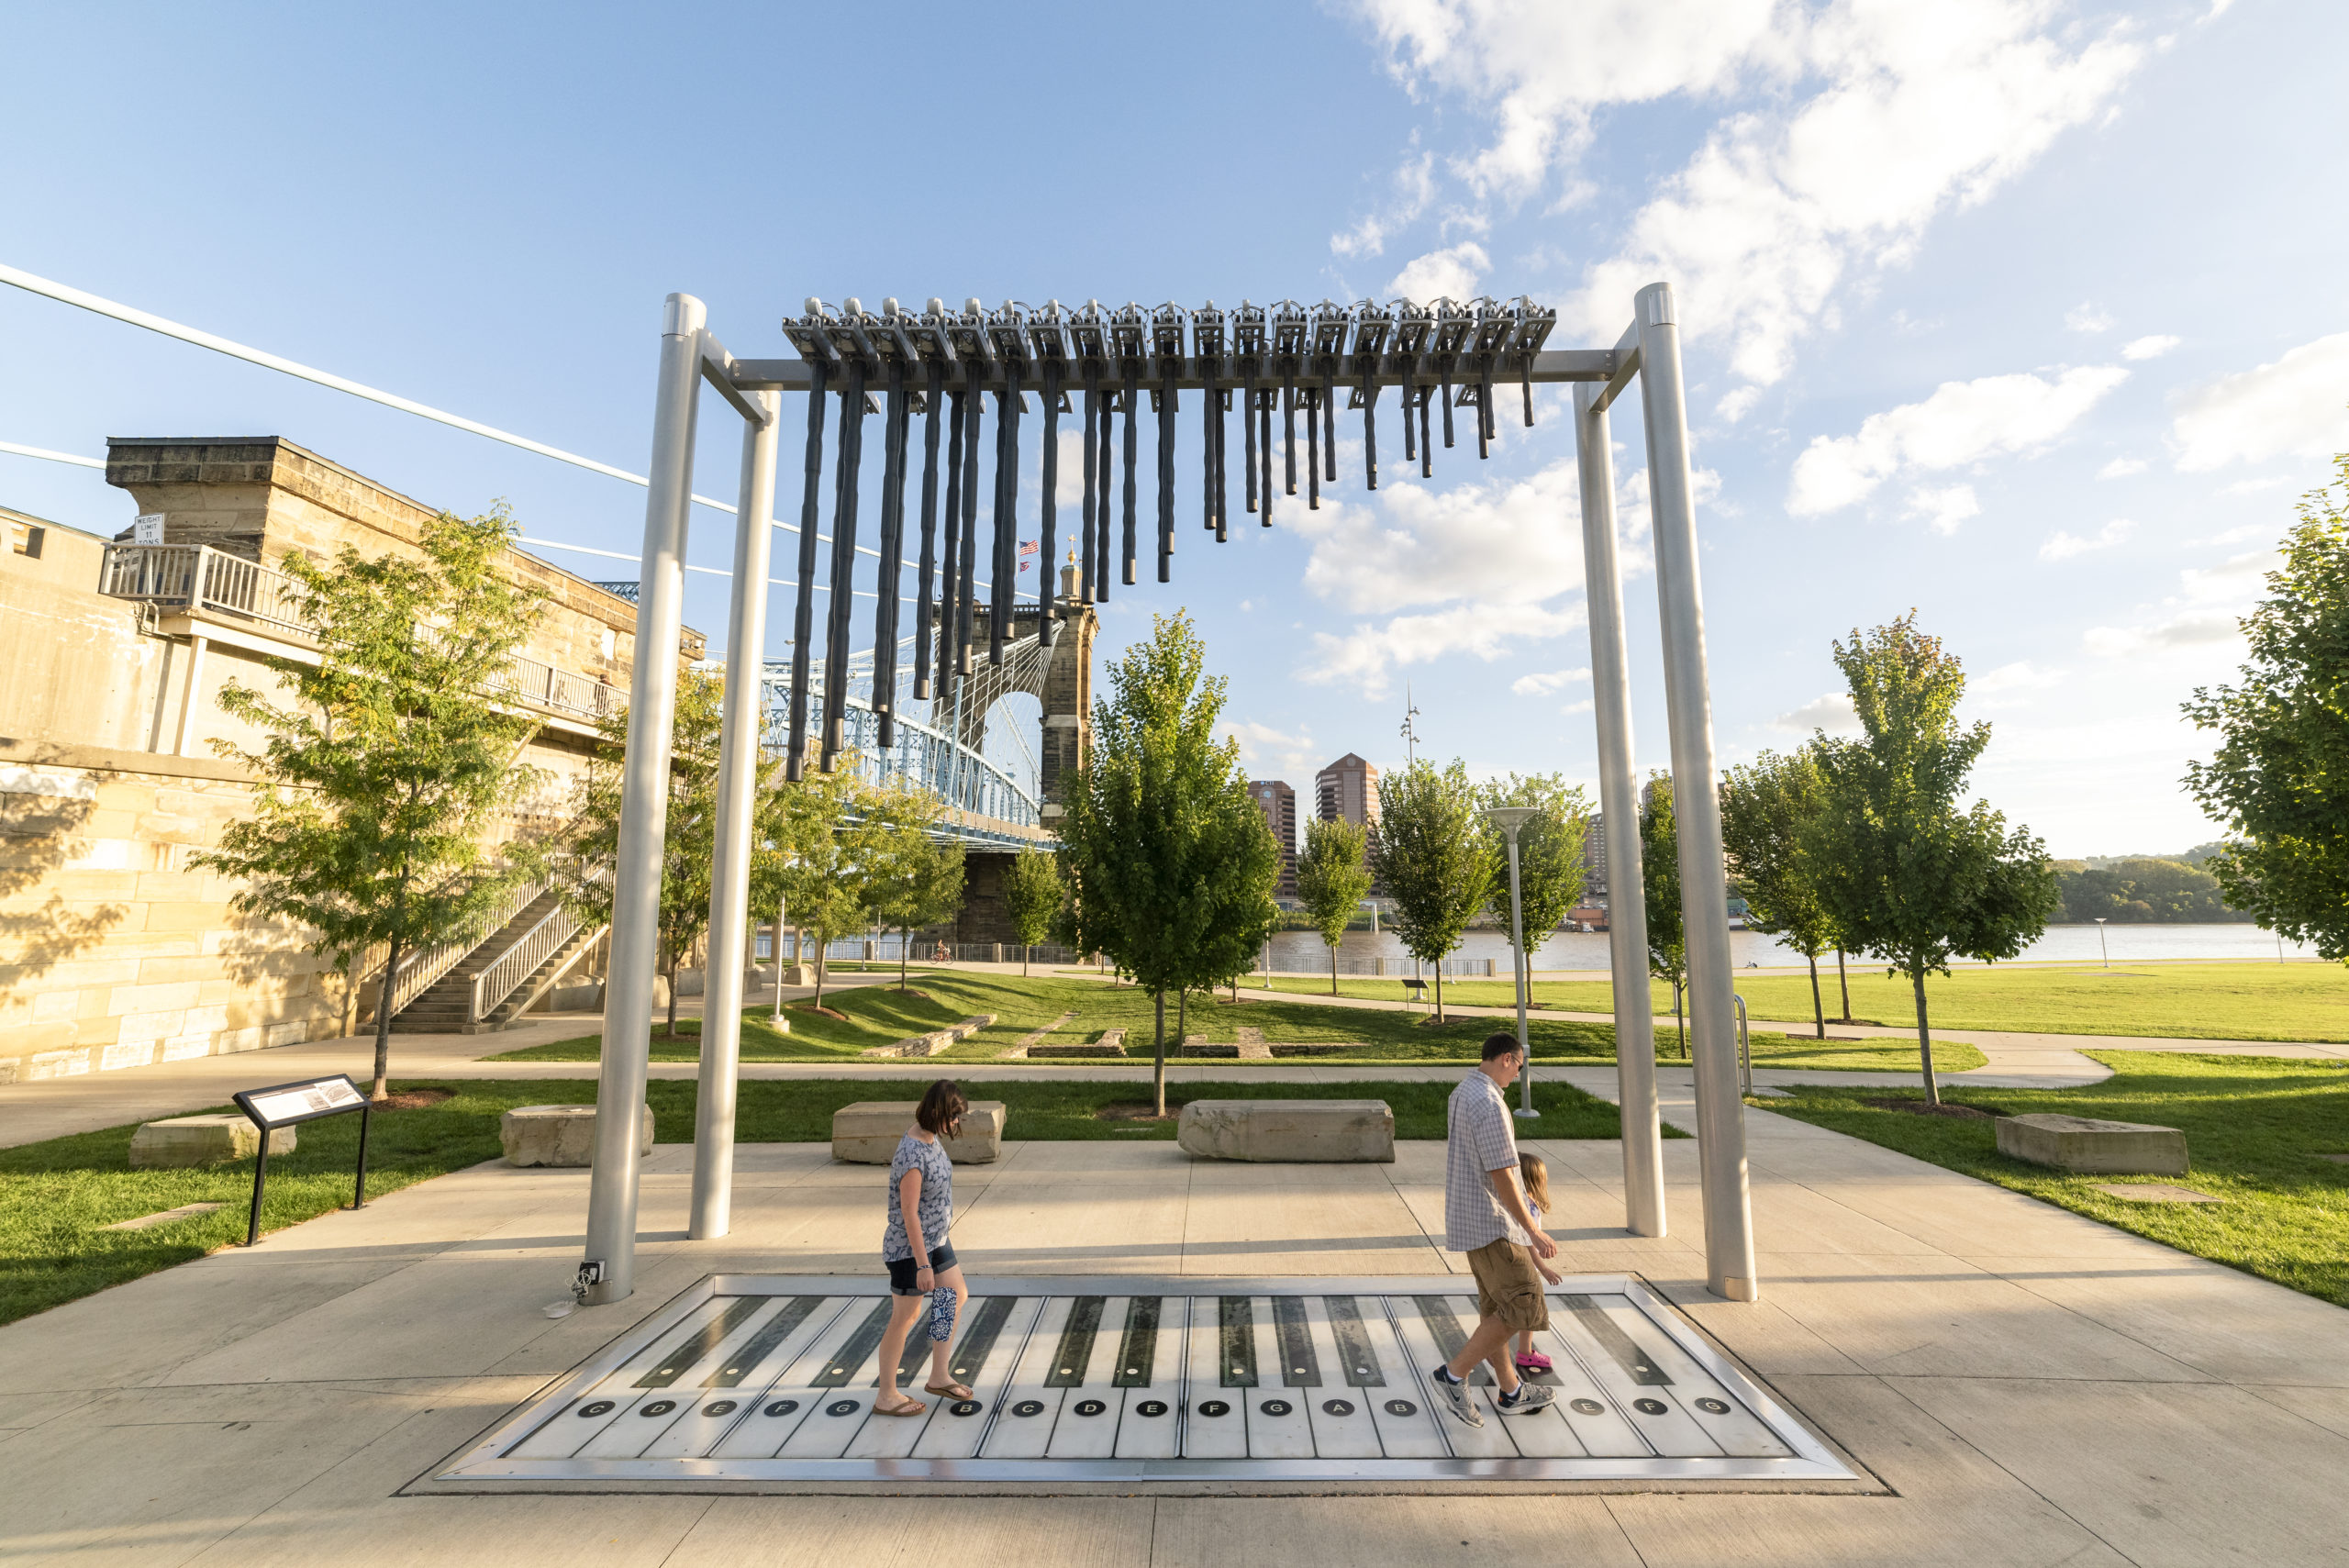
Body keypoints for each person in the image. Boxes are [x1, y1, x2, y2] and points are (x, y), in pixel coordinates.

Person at [1429, 1032, 1560, 1428]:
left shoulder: (1461, 1092)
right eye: (1519, 1067)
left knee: (1496, 1314)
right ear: (1507, 1059)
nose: (1517, 1075)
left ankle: (1511, 1391)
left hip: (1471, 1221)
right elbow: (1503, 1173)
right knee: (1524, 1305)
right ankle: (1453, 1375)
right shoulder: (1488, 1103)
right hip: (1495, 1225)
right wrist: (1532, 1231)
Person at [871, 1079, 972, 1418]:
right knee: (905, 1317)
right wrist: (923, 1265)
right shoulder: (913, 1153)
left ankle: (939, 1375)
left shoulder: (929, 1138)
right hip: (909, 1249)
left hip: (936, 1240)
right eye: (953, 1117)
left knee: (953, 1295)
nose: (956, 1123)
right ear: (936, 1112)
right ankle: (886, 1394)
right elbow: (908, 1213)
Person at [1511, 1152, 1565, 1374]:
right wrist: (1543, 1268)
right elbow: (1528, 1241)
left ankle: (1501, 1349)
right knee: (1529, 1312)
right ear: (1534, 1180)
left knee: (1512, 1309)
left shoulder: (1520, 1203)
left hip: (1515, 1264)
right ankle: (1524, 1354)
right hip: (1525, 1268)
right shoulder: (1529, 1208)